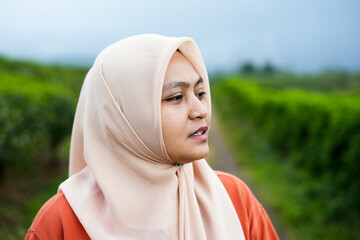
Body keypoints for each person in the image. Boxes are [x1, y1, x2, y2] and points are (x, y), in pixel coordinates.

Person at [25, 34, 279, 240]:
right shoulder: (62, 223)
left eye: (200, 93)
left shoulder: (235, 199)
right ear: (124, 117)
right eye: (176, 97)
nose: (201, 111)